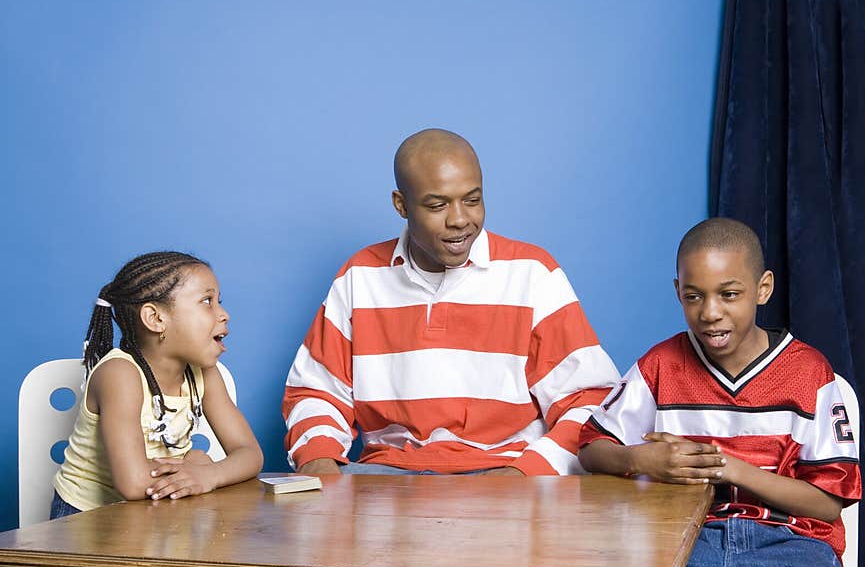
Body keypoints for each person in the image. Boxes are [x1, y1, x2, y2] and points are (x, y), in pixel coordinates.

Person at [282, 128, 620, 476]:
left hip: (508, 475)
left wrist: (525, 475)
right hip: (386, 482)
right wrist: (320, 468)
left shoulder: (532, 273)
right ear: (401, 205)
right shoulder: (360, 276)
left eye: (472, 200)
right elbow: (315, 392)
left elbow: (589, 400)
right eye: (437, 205)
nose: (460, 219)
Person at [578, 217, 862, 567]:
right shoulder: (659, 366)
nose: (710, 312)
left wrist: (727, 468)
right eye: (693, 296)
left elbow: (827, 503)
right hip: (684, 540)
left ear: (763, 289)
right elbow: (590, 449)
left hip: (789, 546)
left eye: (729, 294)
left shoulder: (809, 373)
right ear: (678, 291)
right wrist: (641, 459)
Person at [50, 251, 264, 518]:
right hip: (85, 520)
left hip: (157, 512)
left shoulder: (205, 373)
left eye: (219, 301)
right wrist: (188, 465)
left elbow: (250, 454)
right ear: (156, 319)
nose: (224, 314)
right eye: (207, 301)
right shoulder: (120, 374)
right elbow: (134, 482)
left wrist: (211, 473)